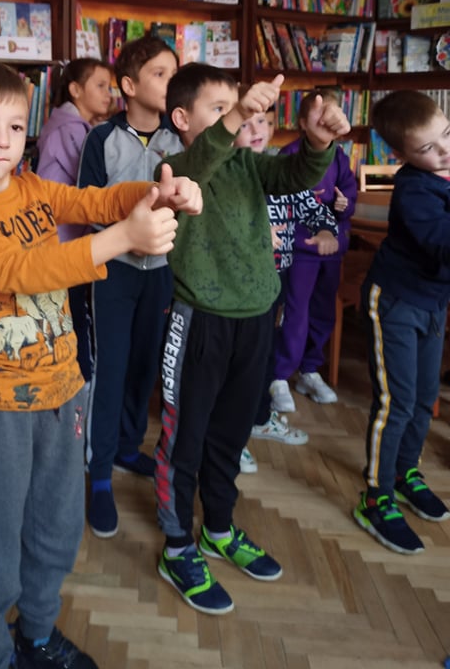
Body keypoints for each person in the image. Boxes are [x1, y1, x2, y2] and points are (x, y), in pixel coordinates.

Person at [0, 59, 201, 669]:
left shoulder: (31, 187)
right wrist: (122, 239)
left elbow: (94, 200)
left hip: (63, 391)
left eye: (14, 126)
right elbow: (19, 271)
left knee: (55, 530)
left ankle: (36, 635)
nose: (2, 140)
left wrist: (157, 193)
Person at [154, 64, 350, 615]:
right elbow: (200, 162)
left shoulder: (246, 162)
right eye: (219, 109)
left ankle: (218, 527)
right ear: (182, 118)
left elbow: (293, 176)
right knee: (185, 438)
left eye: (235, 107)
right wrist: (238, 114)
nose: (238, 118)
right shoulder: (175, 166)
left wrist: (318, 142)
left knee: (231, 433)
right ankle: (176, 545)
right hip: (200, 320)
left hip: (256, 318)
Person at [77, 36, 182, 538]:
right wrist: (129, 236)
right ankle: (99, 474)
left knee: (145, 365)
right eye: (160, 74)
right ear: (129, 85)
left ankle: (125, 447)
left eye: (174, 74)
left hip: (160, 272)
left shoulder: (179, 140)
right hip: (113, 272)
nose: (170, 83)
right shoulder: (102, 138)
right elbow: (87, 205)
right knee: (111, 368)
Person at [353, 90, 450, 555]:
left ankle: (404, 470)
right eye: (428, 147)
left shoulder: (443, 173)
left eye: (447, 135)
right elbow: (442, 244)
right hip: (394, 303)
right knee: (397, 402)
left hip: (432, 304)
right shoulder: (414, 189)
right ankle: (375, 497)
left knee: (426, 397)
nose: (444, 150)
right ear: (401, 155)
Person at [232, 100, 339, 473]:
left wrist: (326, 230)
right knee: (240, 364)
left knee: (265, 356)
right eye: (246, 124)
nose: (256, 129)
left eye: (263, 122)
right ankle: (230, 438)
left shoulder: (285, 173)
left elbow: (316, 210)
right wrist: (255, 235)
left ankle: (259, 418)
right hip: (238, 288)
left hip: (275, 281)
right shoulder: (231, 175)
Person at [272, 90, 357, 413]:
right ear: (302, 122)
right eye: (320, 115)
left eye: (334, 114)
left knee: (324, 312)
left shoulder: (340, 157)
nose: (328, 121)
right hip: (301, 250)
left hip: (332, 250)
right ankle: (280, 374)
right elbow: (281, 201)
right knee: (295, 312)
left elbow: (348, 192)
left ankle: (309, 369)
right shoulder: (289, 155)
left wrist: (344, 205)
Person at [35, 57, 113, 380]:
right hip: (63, 241)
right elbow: (96, 179)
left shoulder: (67, 124)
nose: (109, 94)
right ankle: (79, 383)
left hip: (60, 237)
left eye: (110, 87)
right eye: (101, 86)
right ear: (76, 90)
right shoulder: (71, 129)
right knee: (73, 316)